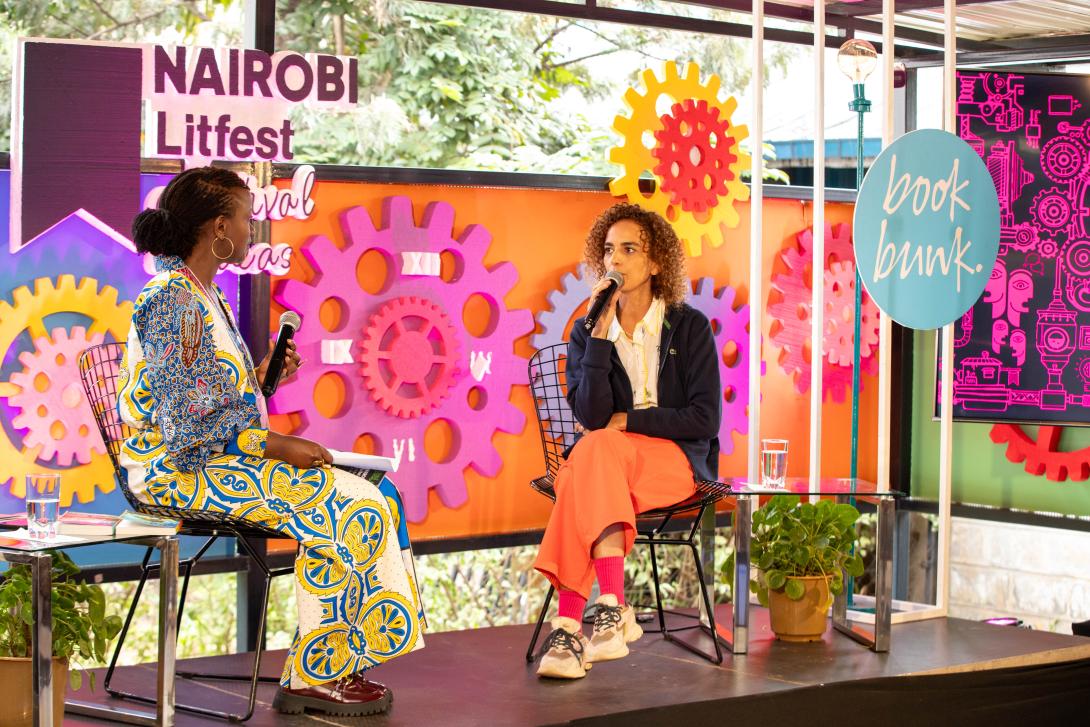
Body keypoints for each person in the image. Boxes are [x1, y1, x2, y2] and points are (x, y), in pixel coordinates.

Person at [118, 166, 424, 716]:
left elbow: (211, 402)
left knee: (379, 493)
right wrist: (276, 445)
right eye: (245, 217)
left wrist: (262, 378)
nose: (253, 227)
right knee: (345, 501)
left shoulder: (202, 295)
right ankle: (315, 675)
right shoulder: (173, 301)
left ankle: (342, 656)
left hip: (211, 458)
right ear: (218, 228)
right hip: (177, 472)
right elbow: (189, 430)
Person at [533, 203, 720, 679]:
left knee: (586, 464)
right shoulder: (587, 333)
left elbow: (704, 419)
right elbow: (593, 418)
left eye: (629, 249)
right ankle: (607, 614)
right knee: (595, 452)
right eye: (609, 250)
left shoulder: (689, 326)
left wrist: (631, 420)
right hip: (611, 465)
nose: (615, 260)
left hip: (677, 464)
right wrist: (598, 338)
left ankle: (571, 623)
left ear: (656, 263)